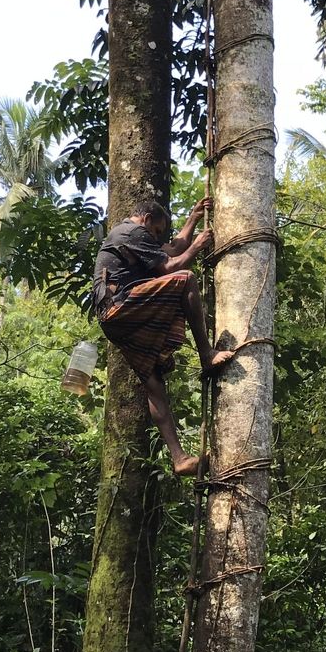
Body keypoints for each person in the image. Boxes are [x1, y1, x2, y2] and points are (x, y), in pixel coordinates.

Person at [92, 197, 233, 476]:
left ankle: (179, 458)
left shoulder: (133, 238)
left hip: (114, 319)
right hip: (121, 305)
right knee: (186, 279)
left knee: (153, 379)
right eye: (156, 231)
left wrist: (193, 219)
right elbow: (171, 266)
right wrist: (197, 246)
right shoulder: (129, 231)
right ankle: (207, 354)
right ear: (145, 219)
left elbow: (171, 249)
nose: (156, 237)